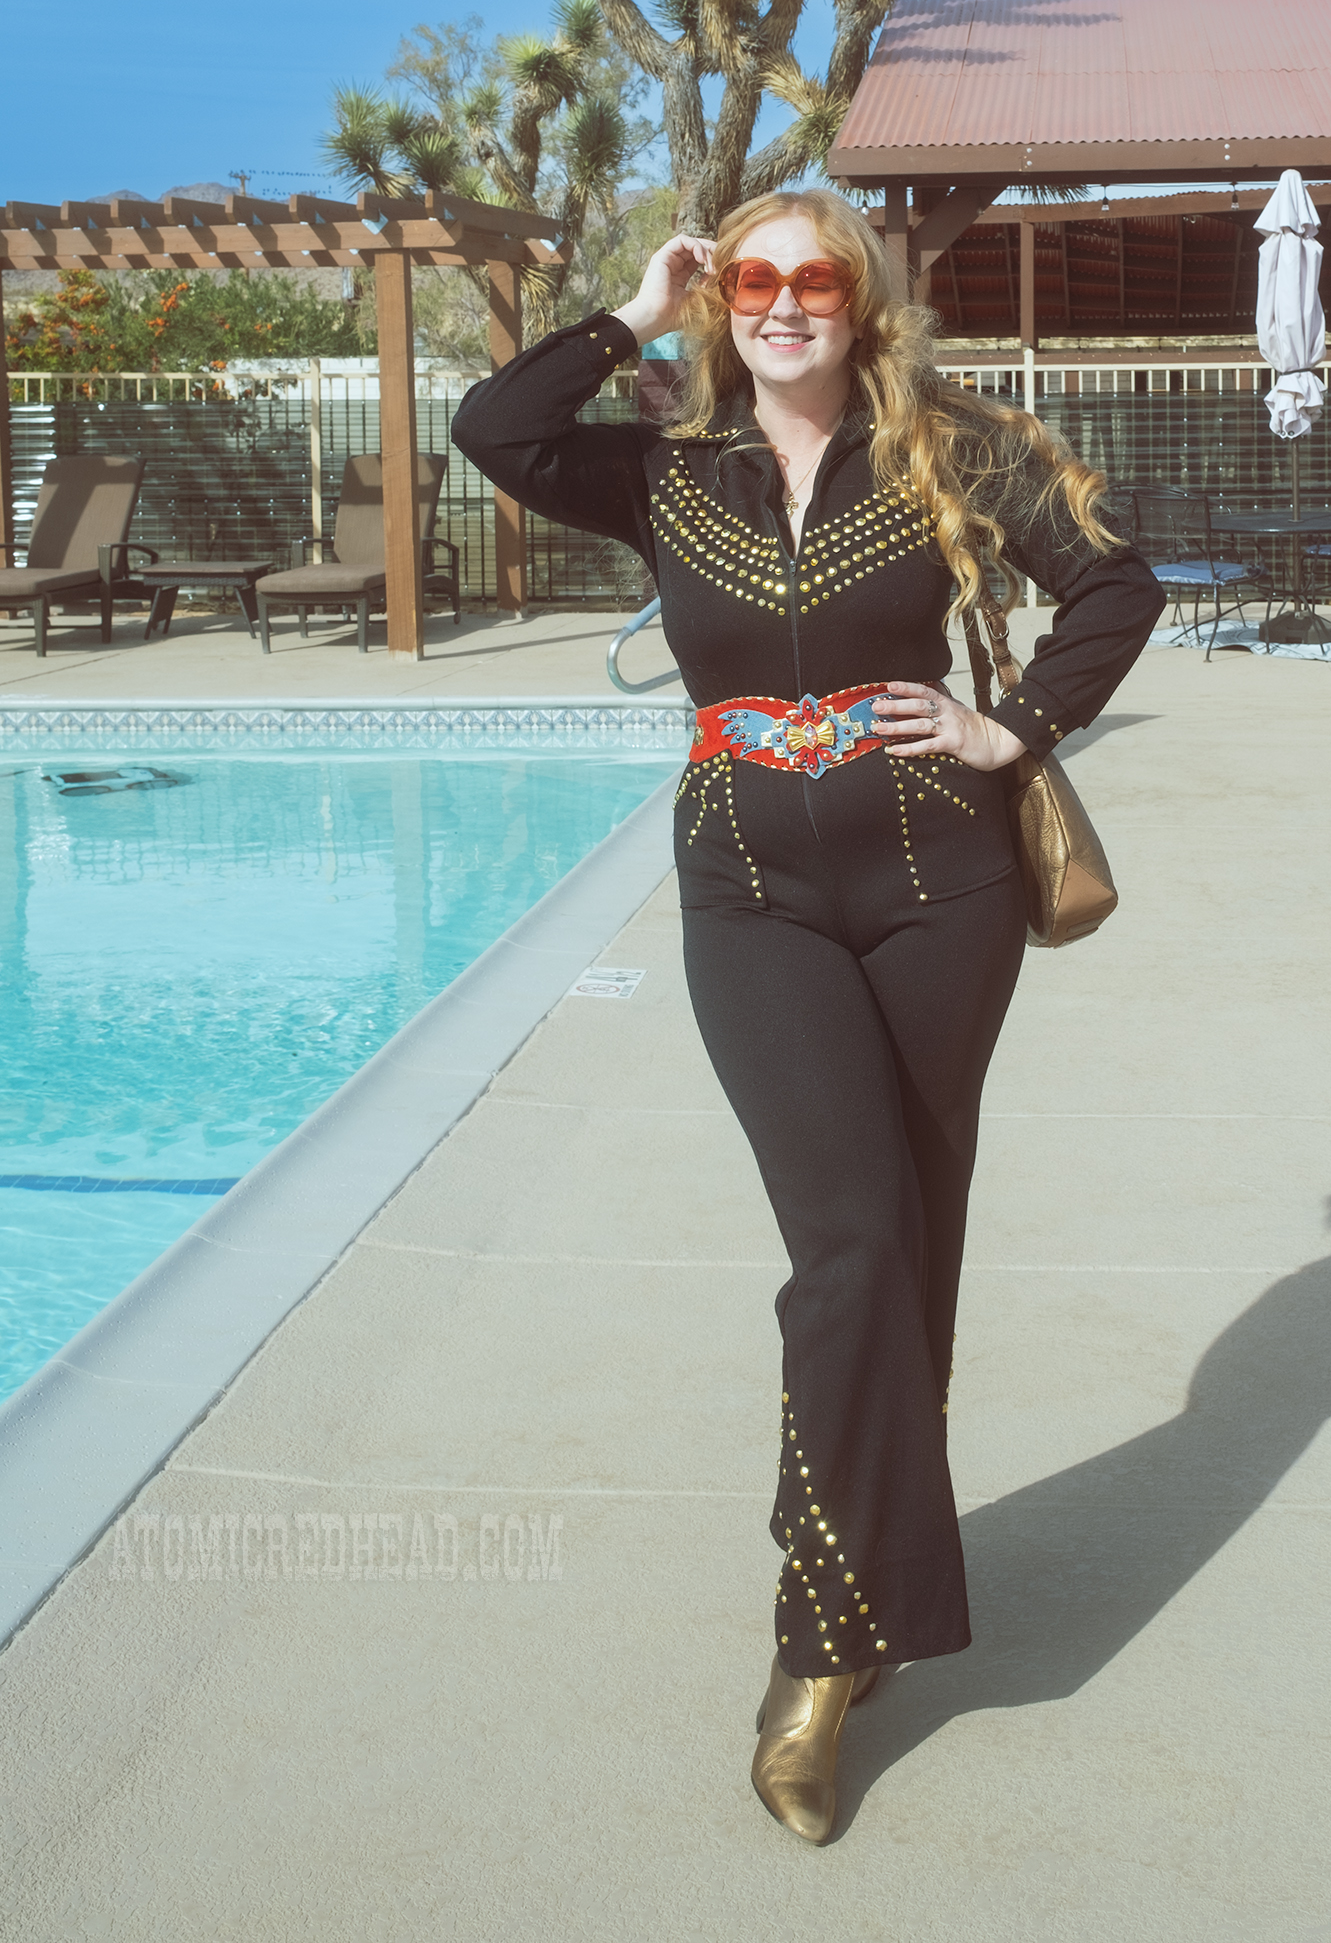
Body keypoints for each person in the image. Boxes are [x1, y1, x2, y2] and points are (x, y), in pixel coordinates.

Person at [452, 190, 1163, 1844]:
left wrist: (1017, 730)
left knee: (913, 1244)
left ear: (863, 299)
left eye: (812, 278)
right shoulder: (665, 468)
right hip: (748, 899)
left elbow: (1118, 587)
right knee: (846, 1243)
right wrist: (632, 307)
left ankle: (860, 1577)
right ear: (725, 303)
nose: (781, 304)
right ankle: (820, 1645)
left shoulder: (950, 451)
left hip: (942, 896)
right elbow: (495, 423)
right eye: (753, 278)